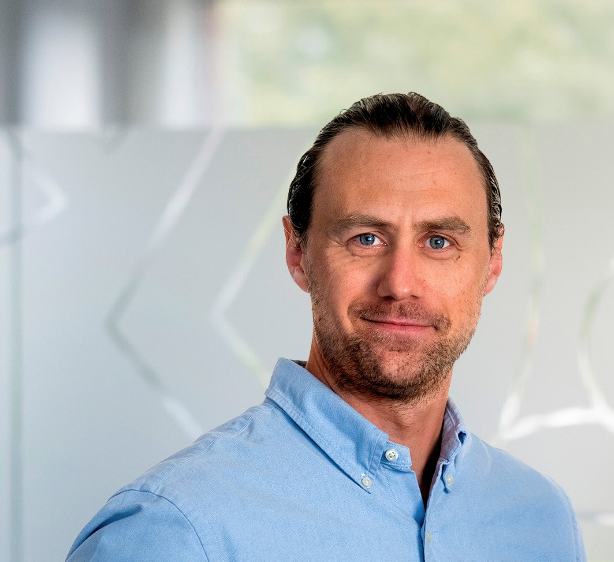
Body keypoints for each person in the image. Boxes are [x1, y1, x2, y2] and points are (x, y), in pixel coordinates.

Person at [66, 92, 586, 561]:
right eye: (365, 238)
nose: (400, 283)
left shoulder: (540, 521)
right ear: (298, 252)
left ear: (492, 262)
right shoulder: (173, 530)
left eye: (439, 242)